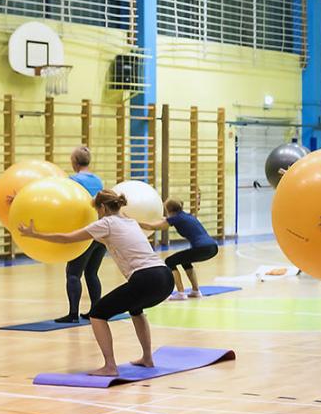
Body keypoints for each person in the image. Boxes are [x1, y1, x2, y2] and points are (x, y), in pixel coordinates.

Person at [18, 189, 174, 376]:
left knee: (97, 314)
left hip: (147, 278)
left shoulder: (106, 223)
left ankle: (110, 366)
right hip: (165, 277)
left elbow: (67, 239)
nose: (97, 214)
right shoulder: (129, 221)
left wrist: (35, 234)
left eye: (97, 210)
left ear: (103, 208)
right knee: (136, 309)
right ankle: (147, 358)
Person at [56, 146, 107, 323]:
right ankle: (96, 310)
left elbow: (61, 201)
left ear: (74, 162)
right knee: (92, 272)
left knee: (73, 273)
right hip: (101, 231)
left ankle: (73, 314)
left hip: (85, 232)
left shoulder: (72, 181)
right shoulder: (98, 180)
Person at [138, 194, 219, 300]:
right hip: (212, 247)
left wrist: (135, 222)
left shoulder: (175, 219)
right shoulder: (186, 216)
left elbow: (151, 227)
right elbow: (169, 220)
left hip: (202, 248)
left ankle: (181, 293)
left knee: (170, 261)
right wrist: (165, 219)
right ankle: (195, 291)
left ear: (168, 209)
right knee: (185, 261)